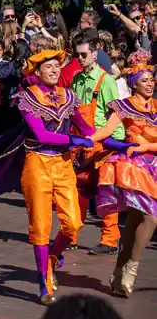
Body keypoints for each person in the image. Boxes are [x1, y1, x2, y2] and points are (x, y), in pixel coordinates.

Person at [0, 50, 132, 304]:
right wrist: (74, 139)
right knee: (42, 225)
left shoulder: (69, 97)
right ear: (38, 72)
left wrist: (119, 144)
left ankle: (52, 259)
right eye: (50, 67)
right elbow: (41, 134)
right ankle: (43, 283)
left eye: (58, 66)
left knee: (73, 224)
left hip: (64, 166)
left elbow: (91, 131)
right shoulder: (26, 98)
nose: (56, 70)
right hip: (37, 164)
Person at [96, 50, 157, 297]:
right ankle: (131, 270)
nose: (150, 84)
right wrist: (86, 140)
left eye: (152, 79)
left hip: (154, 164)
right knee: (151, 218)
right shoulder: (123, 106)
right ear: (133, 83)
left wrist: (145, 146)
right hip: (135, 168)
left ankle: (119, 271)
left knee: (133, 223)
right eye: (144, 80)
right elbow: (105, 131)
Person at [68, 32, 122, 255]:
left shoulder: (106, 80)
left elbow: (116, 116)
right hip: (80, 143)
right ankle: (70, 234)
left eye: (84, 54)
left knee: (105, 192)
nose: (80, 58)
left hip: (102, 144)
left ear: (94, 53)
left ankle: (110, 239)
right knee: (76, 191)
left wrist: (114, 145)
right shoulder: (77, 78)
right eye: (77, 54)